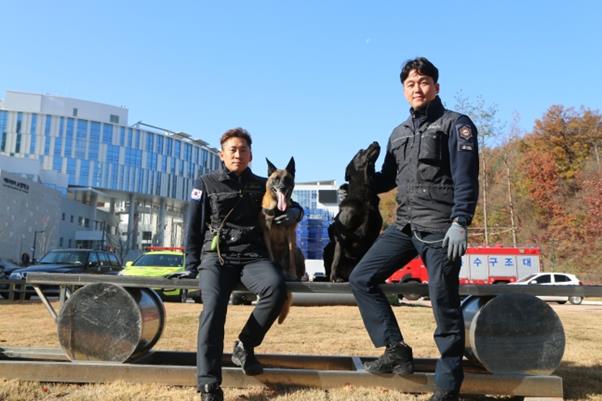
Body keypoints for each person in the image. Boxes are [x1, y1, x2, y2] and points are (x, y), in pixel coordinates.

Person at [349, 57, 479, 401]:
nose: (417, 88)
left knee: (444, 305)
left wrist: (461, 221)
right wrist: (359, 177)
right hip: (404, 225)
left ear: (436, 87)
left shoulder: (456, 125)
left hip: (440, 227)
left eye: (423, 82)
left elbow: (467, 178)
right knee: (361, 278)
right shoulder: (398, 133)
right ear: (404, 91)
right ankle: (395, 349)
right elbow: (387, 180)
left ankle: (448, 388)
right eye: (410, 84)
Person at [184, 127, 303, 401]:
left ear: (251, 155)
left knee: (275, 288)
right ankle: (209, 385)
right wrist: (191, 264)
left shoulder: (263, 183)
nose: (238, 154)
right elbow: (193, 227)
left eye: (243, 150)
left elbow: (290, 204)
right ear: (221, 154)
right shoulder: (204, 184)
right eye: (232, 150)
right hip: (217, 257)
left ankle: (245, 344)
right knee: (213, 311)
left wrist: (296, 211)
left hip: (252, 255)